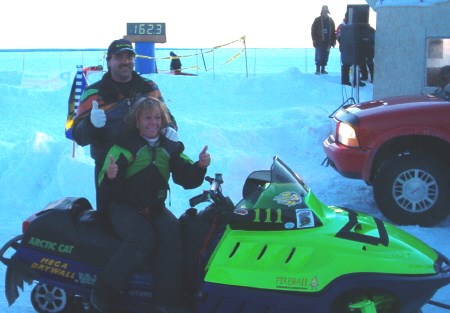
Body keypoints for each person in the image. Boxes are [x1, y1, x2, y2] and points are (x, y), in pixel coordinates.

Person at [90, 96, 211, 313]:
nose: (153, 123)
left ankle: (165, 301)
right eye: (147, 118)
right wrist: (110, 176)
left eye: (157, 118)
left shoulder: (170, 148)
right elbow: (105, 184)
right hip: (123, 207)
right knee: (142, 238)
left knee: (174, 236)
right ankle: (103, 292)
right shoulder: (124, 146)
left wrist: (200, 166)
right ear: (137, 121)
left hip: (155, 208)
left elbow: (186, 178)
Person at [71, 39, 178, 212]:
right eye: (119, 57)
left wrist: (169, 127)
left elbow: (166, 117)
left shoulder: (148, 87)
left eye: (129, 56)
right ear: (109, 61)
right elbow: (77, 134)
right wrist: (90, 124)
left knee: (152, 218)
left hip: (145, 163)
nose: (125, 61)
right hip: (110, 167)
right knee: (110, 226)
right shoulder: (94, 93)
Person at [335, 13, 366, 87]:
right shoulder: (342, 25)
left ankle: (356, 80)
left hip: (354, 48)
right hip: (345, 48)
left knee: (356, 64)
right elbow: (339, 37)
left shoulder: (355, 25)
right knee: (346, 65)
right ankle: (345, 81)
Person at [311, 5, 336, 75]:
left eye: (326, 11)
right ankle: (317, 70)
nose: (325, 12)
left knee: (325, 55)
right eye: (324, 11)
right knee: (319, 55)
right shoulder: (317, 20)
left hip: (328, 42)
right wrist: (314, 40)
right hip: (319, 42)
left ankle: (323, 69)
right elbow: (313, 30)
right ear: (321, 11)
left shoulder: (330, 20)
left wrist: (333, 41)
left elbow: (333, 31)